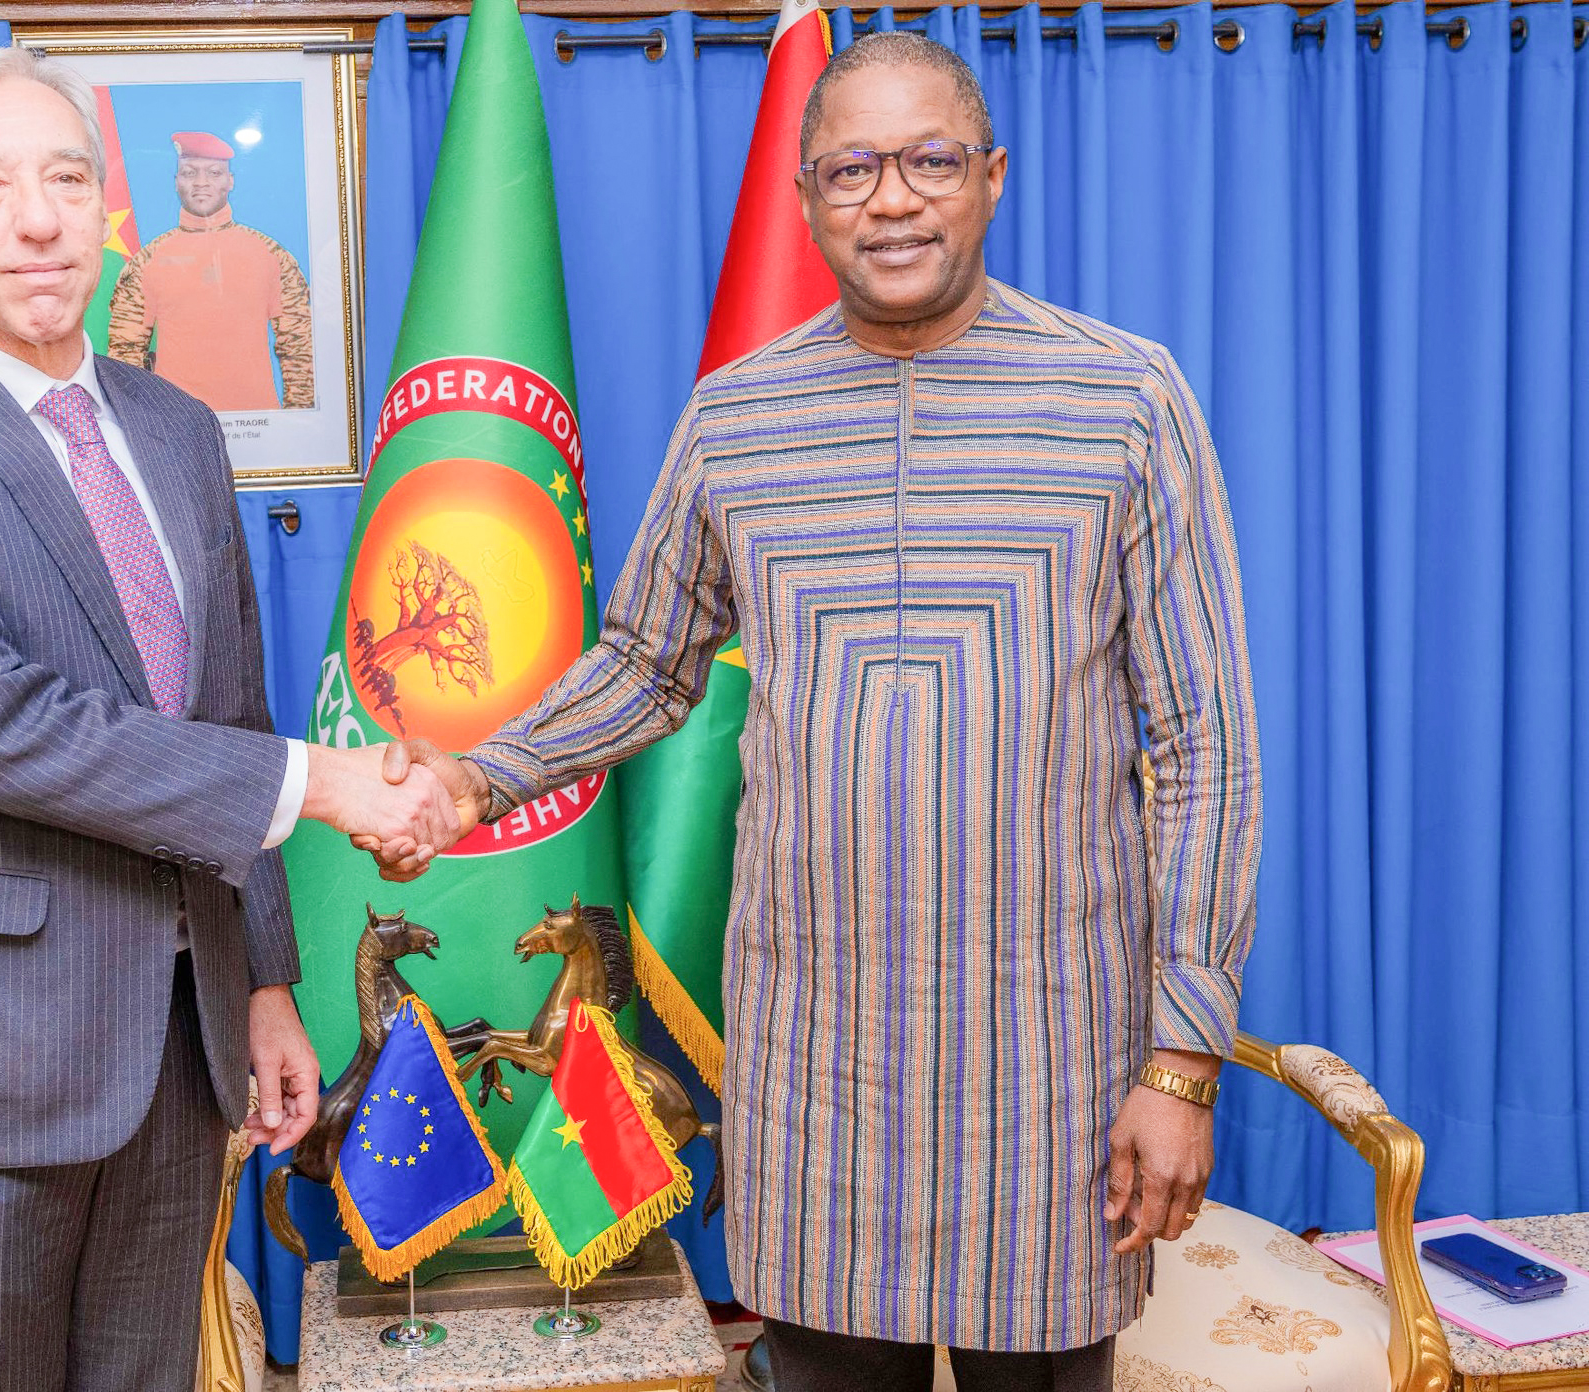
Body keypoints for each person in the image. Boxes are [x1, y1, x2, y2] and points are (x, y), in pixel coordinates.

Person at [370, 32, 1262, 1392]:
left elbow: (1204, 747)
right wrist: (473, 778)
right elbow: (646, 663)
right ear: (805, 199)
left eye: (929, 162)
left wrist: (1182, 1061)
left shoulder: (1126, 400)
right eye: (851, 170)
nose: (891, 199)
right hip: (815, 1068)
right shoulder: (734, 416)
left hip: (1048, 1062)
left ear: (991, 177)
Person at [0, 48, 458, 1392]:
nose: (37, 219)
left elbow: (230, 713)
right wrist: (331, 784)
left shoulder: (178, 428)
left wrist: (263, 983)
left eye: (67, 180)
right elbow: (5, 731)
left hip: (175, 1050)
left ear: (106, 208)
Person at [106, 130, 314, 412]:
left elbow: (299, 349)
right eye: (189, 173)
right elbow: (124, 355)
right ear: (176, 181)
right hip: (177, 426)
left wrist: (297, 423)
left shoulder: (272, 256)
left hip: (259, 426)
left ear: (230, 181)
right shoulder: (147, 262)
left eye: (214, 173)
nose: (201, 182)